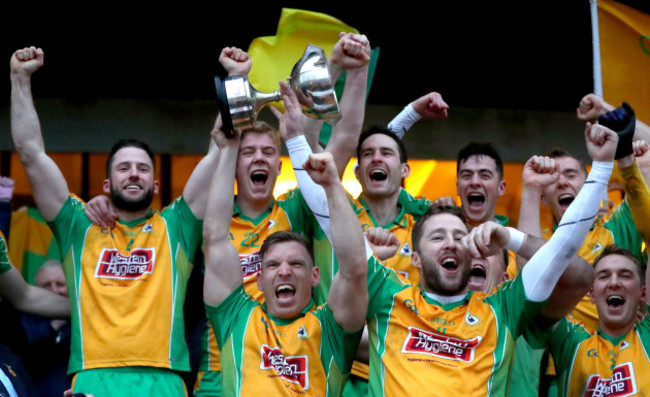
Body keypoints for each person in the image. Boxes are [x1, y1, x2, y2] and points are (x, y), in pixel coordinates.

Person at [10, 46, 219, 396]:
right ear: (107, 184)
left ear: (155, 184)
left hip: (163, 377)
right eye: (123, 168)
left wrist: (236, 82)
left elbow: (220, 150)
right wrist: (20, 78)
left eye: (142, 169)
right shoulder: (78, 225)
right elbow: (31, 154)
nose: (133, 174)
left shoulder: (177, 226)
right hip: (93, 376)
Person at [363, 120, 617, 396]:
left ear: (508, 274)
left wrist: (511, 237)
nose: (469, 251)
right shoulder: (396, 302)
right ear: (416, 260)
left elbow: (569, 263)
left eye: (479, 247)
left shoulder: (506, 307)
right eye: (438, 238)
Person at [202, 109, 368, 397]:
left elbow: (354, 269)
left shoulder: (329, 327)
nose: (284, 271)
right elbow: (214, 238)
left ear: (316, 276)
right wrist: (228, 150)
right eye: (273, 265)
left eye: (296, 263)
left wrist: (330, 186)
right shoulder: (237, 319)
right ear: (259, 278)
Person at [542, 245, 649, 396]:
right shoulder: (572, 341)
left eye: (625, 276)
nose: (613, 283)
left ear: (643, 293)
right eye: (604, 276)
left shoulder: (647, 337)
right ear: (591, 294)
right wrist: (514, 239)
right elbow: (533, 276)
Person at [19, 260, 72, 397]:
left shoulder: (82, 327)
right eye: (46, 285)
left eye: (60, 284)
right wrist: (55, 325)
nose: (54, 290)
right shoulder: (22, 322)